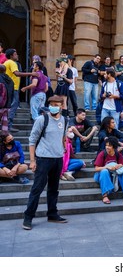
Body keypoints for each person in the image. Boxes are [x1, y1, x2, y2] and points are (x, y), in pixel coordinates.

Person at [23, 95, 68, 230]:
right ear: (49, 106)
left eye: (57, 104)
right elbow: (32, 140)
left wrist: (63, 149)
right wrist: (32, 161)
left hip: (58, 159)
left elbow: (63, 137)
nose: (54, 106)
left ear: (61, 106)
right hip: (43, 159)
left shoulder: (65, 120)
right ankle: (28, 217)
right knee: (37, 189)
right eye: (52, 104)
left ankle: (52, 214)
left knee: (54, 189)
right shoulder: (42, 119)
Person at [4, 48, 37, 132]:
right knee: (13, 107)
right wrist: (31, 73)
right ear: (11, 56)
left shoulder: (7, 62)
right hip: (13, 88)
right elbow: (17, 74)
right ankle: (8, 126)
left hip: (9, 88)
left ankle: (6, 125)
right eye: (15, 54)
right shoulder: (12, 63)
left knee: (9, 106)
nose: (17, 55)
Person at [94, 136, 123, 204]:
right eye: (106, 145)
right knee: (104, 171)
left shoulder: (118, 154)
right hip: (101, 175)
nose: (107, 147)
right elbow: (96, 168)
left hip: (114, 175)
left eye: (109, 146)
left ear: (114, 147)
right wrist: (107, 167)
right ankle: (105, 195)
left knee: (122, 172)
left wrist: (119, 165)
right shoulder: (102, 154)